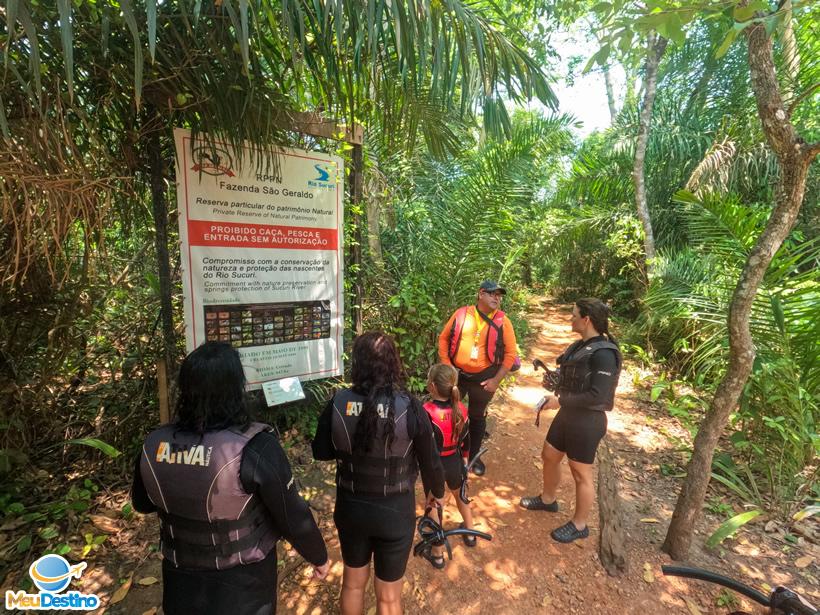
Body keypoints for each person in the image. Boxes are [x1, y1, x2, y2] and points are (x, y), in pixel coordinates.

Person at [131, 342, 329, 615]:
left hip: (181, 584)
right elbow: (291, 514)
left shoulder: (155, 444)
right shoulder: (254, 448)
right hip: (245, 588)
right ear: (236, 387)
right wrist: (318, 557)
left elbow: (142, 503)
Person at [312, 331, 445, 615]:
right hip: (395, 513)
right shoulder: (409, 406)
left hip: (351, 508)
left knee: (352, 584)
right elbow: (431, 461)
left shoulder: (338, 402)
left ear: (358, 363)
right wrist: (437, 495)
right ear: (392, 363)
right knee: (388, 598)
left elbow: (321, 451)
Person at [520, 298, 622, 543]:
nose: (570, 318)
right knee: (549, 455)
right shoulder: (579, 346)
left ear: (586, 319)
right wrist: (556, 381)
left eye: (574, 314)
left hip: (587, 421)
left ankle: (579, 524)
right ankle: (548, 500)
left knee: (580, 473)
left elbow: (597, 395)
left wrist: (560, 400)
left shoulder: (605, 354)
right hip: (568, 416)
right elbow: (572, 375)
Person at [437, 279, 518, 476]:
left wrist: (496, 381)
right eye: (492, 294)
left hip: (484, 379)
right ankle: (446, 451)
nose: (496, 298)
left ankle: (474, 456)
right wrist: (448, 367)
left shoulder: (503, 321)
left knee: (477, 416)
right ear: (481, 293)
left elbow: (510, 354)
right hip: (458, 376)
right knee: (447, 410)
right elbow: (444, 338)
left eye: (499, 295)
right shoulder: (462, 314)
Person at [420, 363, 475, 569]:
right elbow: (467, 438)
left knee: (433, 505)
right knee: (461, 495)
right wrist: (465, 460)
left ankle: (437, 553)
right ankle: (470, 533)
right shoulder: (461, 408)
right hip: (455, 460)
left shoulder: (426, 411)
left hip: (434, 466)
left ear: (432, 386)